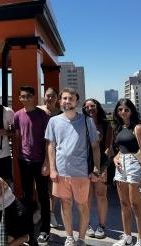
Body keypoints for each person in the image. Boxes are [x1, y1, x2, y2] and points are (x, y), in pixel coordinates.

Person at [45, 88, 101, 246]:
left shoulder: (86, 120)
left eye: (71, 98)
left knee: (83, 205)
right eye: (64, 98)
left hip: (81, 172)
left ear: (76, 102)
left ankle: (81, 238)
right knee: (65, 204)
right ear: (60, 101)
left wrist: (96, 168)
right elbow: (51, 146)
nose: (67, 101)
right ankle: (69, 237)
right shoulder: (53, 121)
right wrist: (53, 169)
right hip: (61, 172)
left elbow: (95, 146)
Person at [112, 98, 141, 246]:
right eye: (120, 109)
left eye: (126, 109)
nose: (123, 112)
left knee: (136, 205)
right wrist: (116, 158)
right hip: (121, 165)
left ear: (132, 111)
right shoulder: (120, 127)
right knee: (123, 204)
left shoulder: (138, 128)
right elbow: (120, 149)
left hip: (134, 165)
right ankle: (127, 236)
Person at [14, 86, 51, 245]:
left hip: (40, 161)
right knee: (27, 197)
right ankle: (28, 228)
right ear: (20, 98)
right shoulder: (17, 115)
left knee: (43, 196)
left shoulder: (43, 115)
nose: (26, 98)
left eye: (29, 96)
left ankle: (45, 230)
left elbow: (49, 140)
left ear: (34, 97)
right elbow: (16, 136)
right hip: (24, 161)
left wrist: (47, 162)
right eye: (23, 96)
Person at [82, 98, 113, 239]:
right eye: (87, 106)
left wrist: (103, 167)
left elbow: (108, 148)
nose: (90, 108)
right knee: (86, 197)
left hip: (101, 164)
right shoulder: (81, 124)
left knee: (101, 195)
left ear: (97, 107)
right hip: (84, 164)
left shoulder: (106, 125)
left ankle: (101, 225)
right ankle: (87, 224)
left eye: (92, 106)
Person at [38, 87, 62, 228]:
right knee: (40, 185)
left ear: (57, 98)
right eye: (48, 96)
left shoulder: (61, 114)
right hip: (39, 151)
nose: (50, 98)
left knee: (54, 184)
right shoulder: (39, 110)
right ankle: (42, 210)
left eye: (53, 96)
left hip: (56, 152)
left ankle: (51, 212)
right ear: (44, 97)